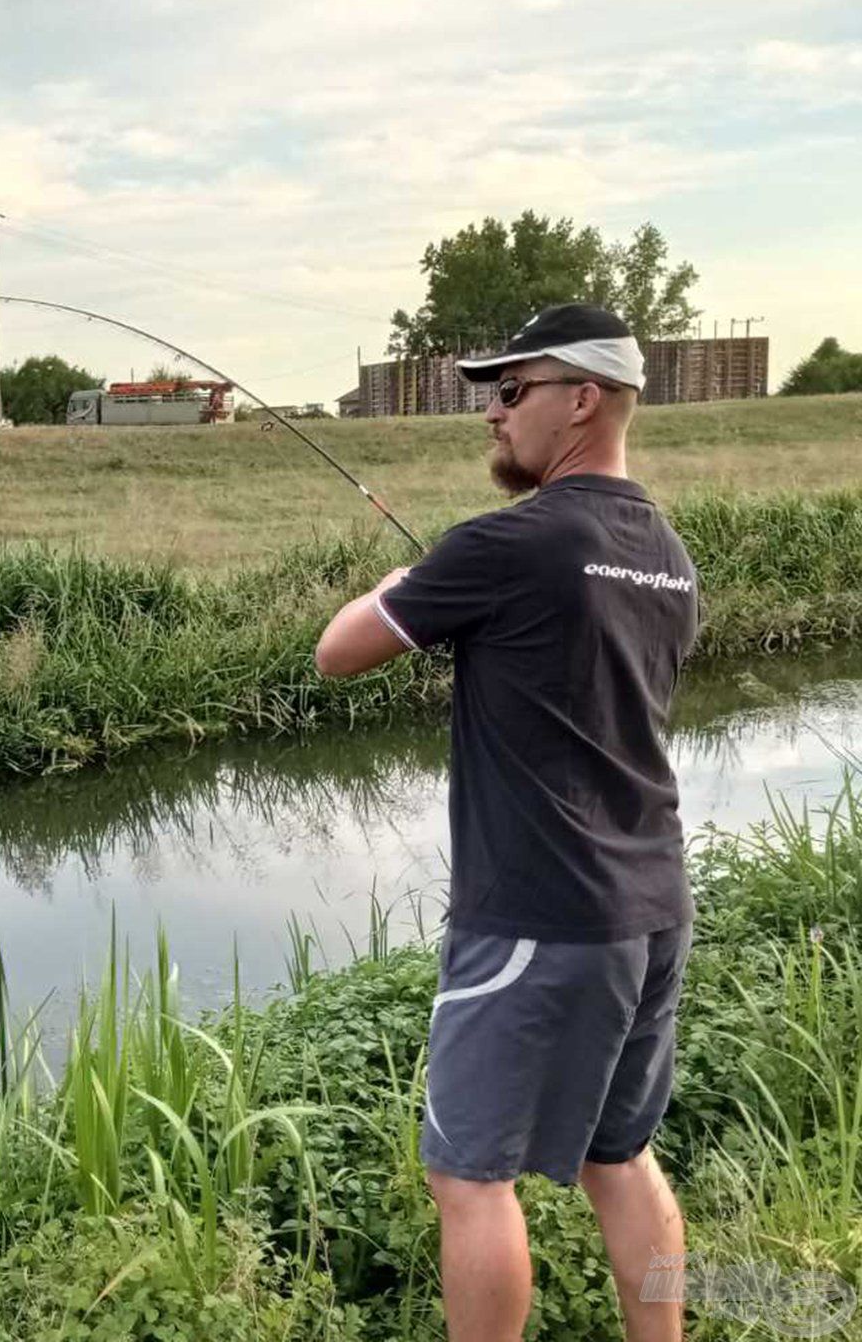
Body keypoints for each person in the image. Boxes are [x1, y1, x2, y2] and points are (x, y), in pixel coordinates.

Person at [314, 304, 698, 1342]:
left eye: (512, 389)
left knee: (468, 1176)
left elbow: (338, 649)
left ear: (582, 398)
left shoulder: (507, 543)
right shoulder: (665, 551)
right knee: (618, 1157)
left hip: (536, 913)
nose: (492, 413)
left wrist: (409, 579)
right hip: (653, 907)